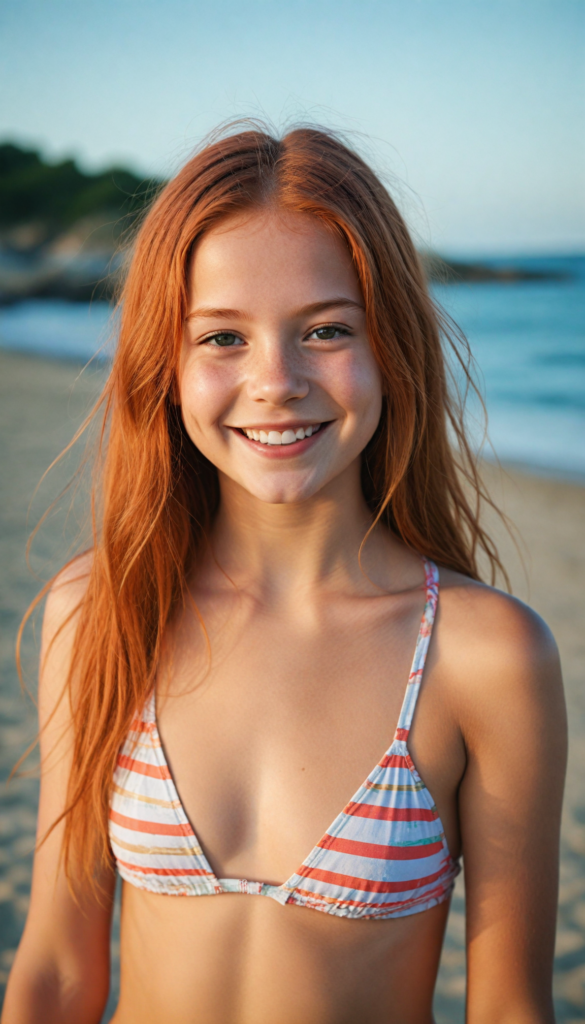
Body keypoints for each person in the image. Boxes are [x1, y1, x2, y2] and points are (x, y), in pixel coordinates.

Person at [2, 125, 566, 1024]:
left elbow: (506, 1010)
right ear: (167, 368)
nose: (276, 381)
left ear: (392, 349)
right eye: (222, 337)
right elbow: (58, 974)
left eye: (326, 330)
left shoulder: (482, 655)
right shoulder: (105, 612)